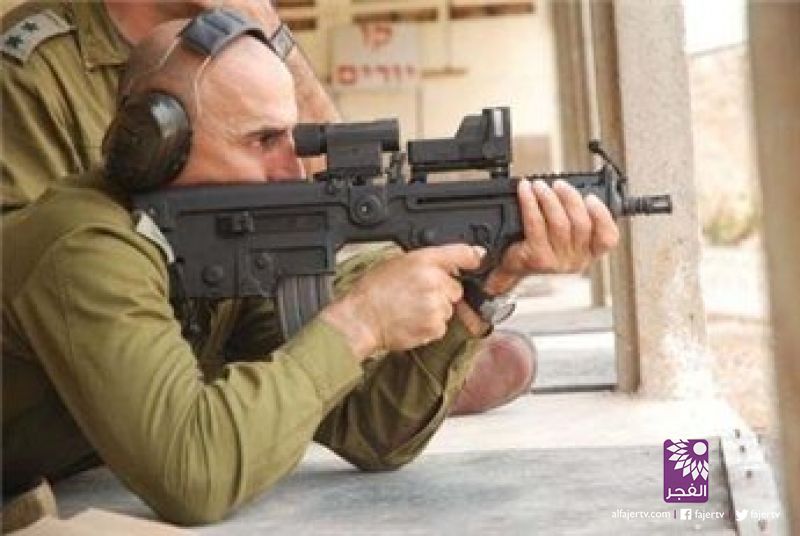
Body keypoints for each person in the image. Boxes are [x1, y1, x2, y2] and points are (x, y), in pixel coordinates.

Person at [1, 11, 619, 525]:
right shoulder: (85, 245)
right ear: (158, 147)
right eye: (261, 141)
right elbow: (195, 477)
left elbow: (372, 432)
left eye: (294, 141)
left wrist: (487, 284)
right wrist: (361, 323)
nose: (292, 172)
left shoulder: (218, 247)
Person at [1, 0, 537, 420]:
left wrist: (270, 31)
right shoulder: (31, 67)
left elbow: (330, 181)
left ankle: (399, 373)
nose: (288, 166)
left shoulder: (241, 42)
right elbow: (33, 267)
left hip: (220, 317)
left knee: (352, 262)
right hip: (95, 374)